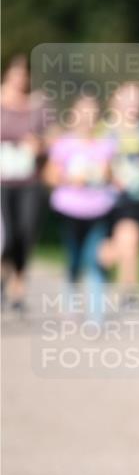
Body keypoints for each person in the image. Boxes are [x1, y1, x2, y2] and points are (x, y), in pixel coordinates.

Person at [44, 94, 118, 320]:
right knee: (74, 258)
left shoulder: (106, 144)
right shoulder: (64, 144)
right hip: (70, 209)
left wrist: (105, 173)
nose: (88, 118)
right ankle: (70, 300)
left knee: (95, 259)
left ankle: (96, 316)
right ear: (73, 116)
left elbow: (112, 176)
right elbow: (49, 175)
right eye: (83, 112)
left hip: (98, 209)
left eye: (92, 113)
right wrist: (69, 179)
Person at [97, 81, 139, 296]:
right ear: (115, 101)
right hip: (104, 198)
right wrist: (110, 174)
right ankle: (102, 279)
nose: (134, 104)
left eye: (138, 99)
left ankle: (128, 291)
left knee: (131, 242)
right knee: (108, 253)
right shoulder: (103, 129)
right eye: (129, 99)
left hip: (134, 196)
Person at [0, 54, 49, 314]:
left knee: (26, 232)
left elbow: (52, 139)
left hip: (30, 180)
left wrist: (38, 145)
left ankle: (18, 287)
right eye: (15, 73)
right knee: (6, 236)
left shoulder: (38, 103)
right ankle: (3, 273)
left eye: (24, 73)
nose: (20, 78)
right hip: (2, 181)